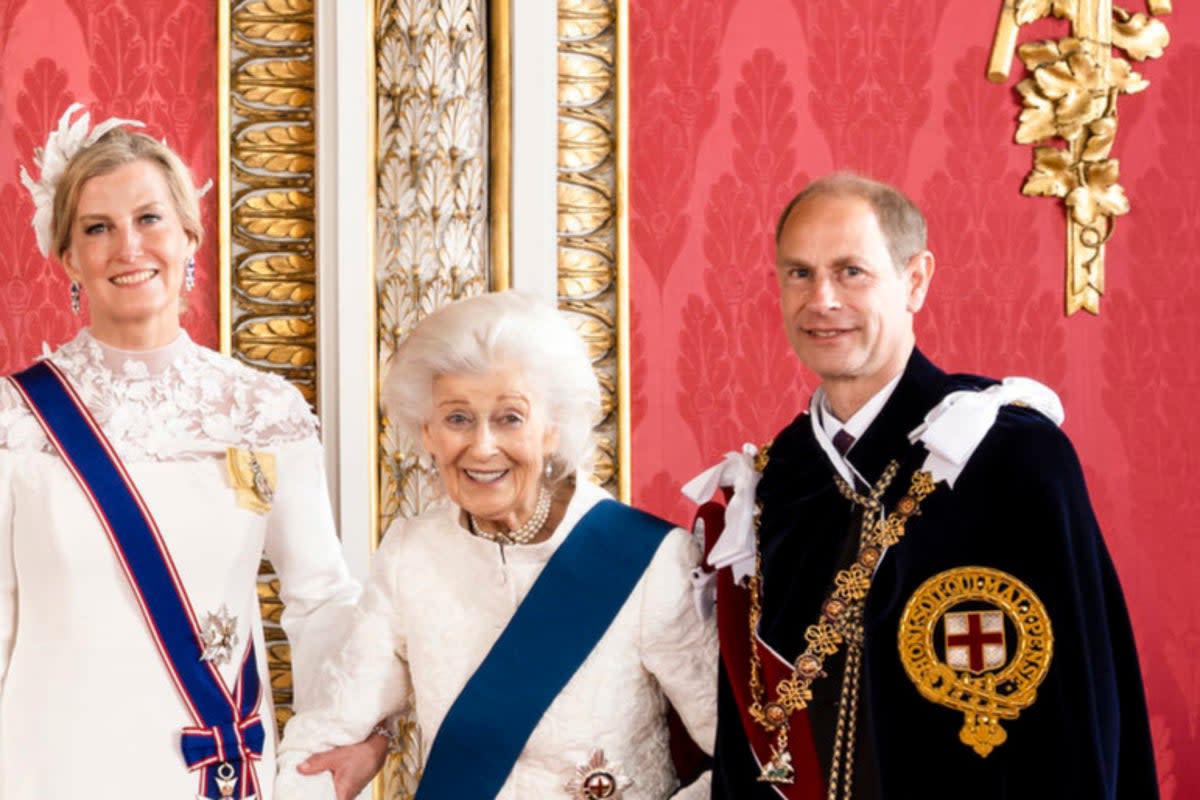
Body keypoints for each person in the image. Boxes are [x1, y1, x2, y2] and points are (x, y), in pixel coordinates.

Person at [689, 172, 1159, 798]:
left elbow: (1081, 713)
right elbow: (750, 737)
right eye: (799, 273)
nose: (821, 299)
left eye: (851, 271)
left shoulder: (1010, 456)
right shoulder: (774, 485)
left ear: (915, 281)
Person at [0, 105, 374, 799]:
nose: (128, 247)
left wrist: (338, 746)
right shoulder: (14, 421)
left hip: (210, 772)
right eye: (97, 228)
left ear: (190, 235)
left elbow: (320, 600)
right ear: (68, 257)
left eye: (149, 219)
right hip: (49, 768)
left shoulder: (261, 411)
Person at [274, 290, 717, 799]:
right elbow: (330, 730)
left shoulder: (648, 560)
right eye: (458, 418)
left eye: (510, 417)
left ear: (551, 429)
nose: (482, 447)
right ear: (428, 432)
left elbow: (740, 760)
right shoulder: (410, 555)